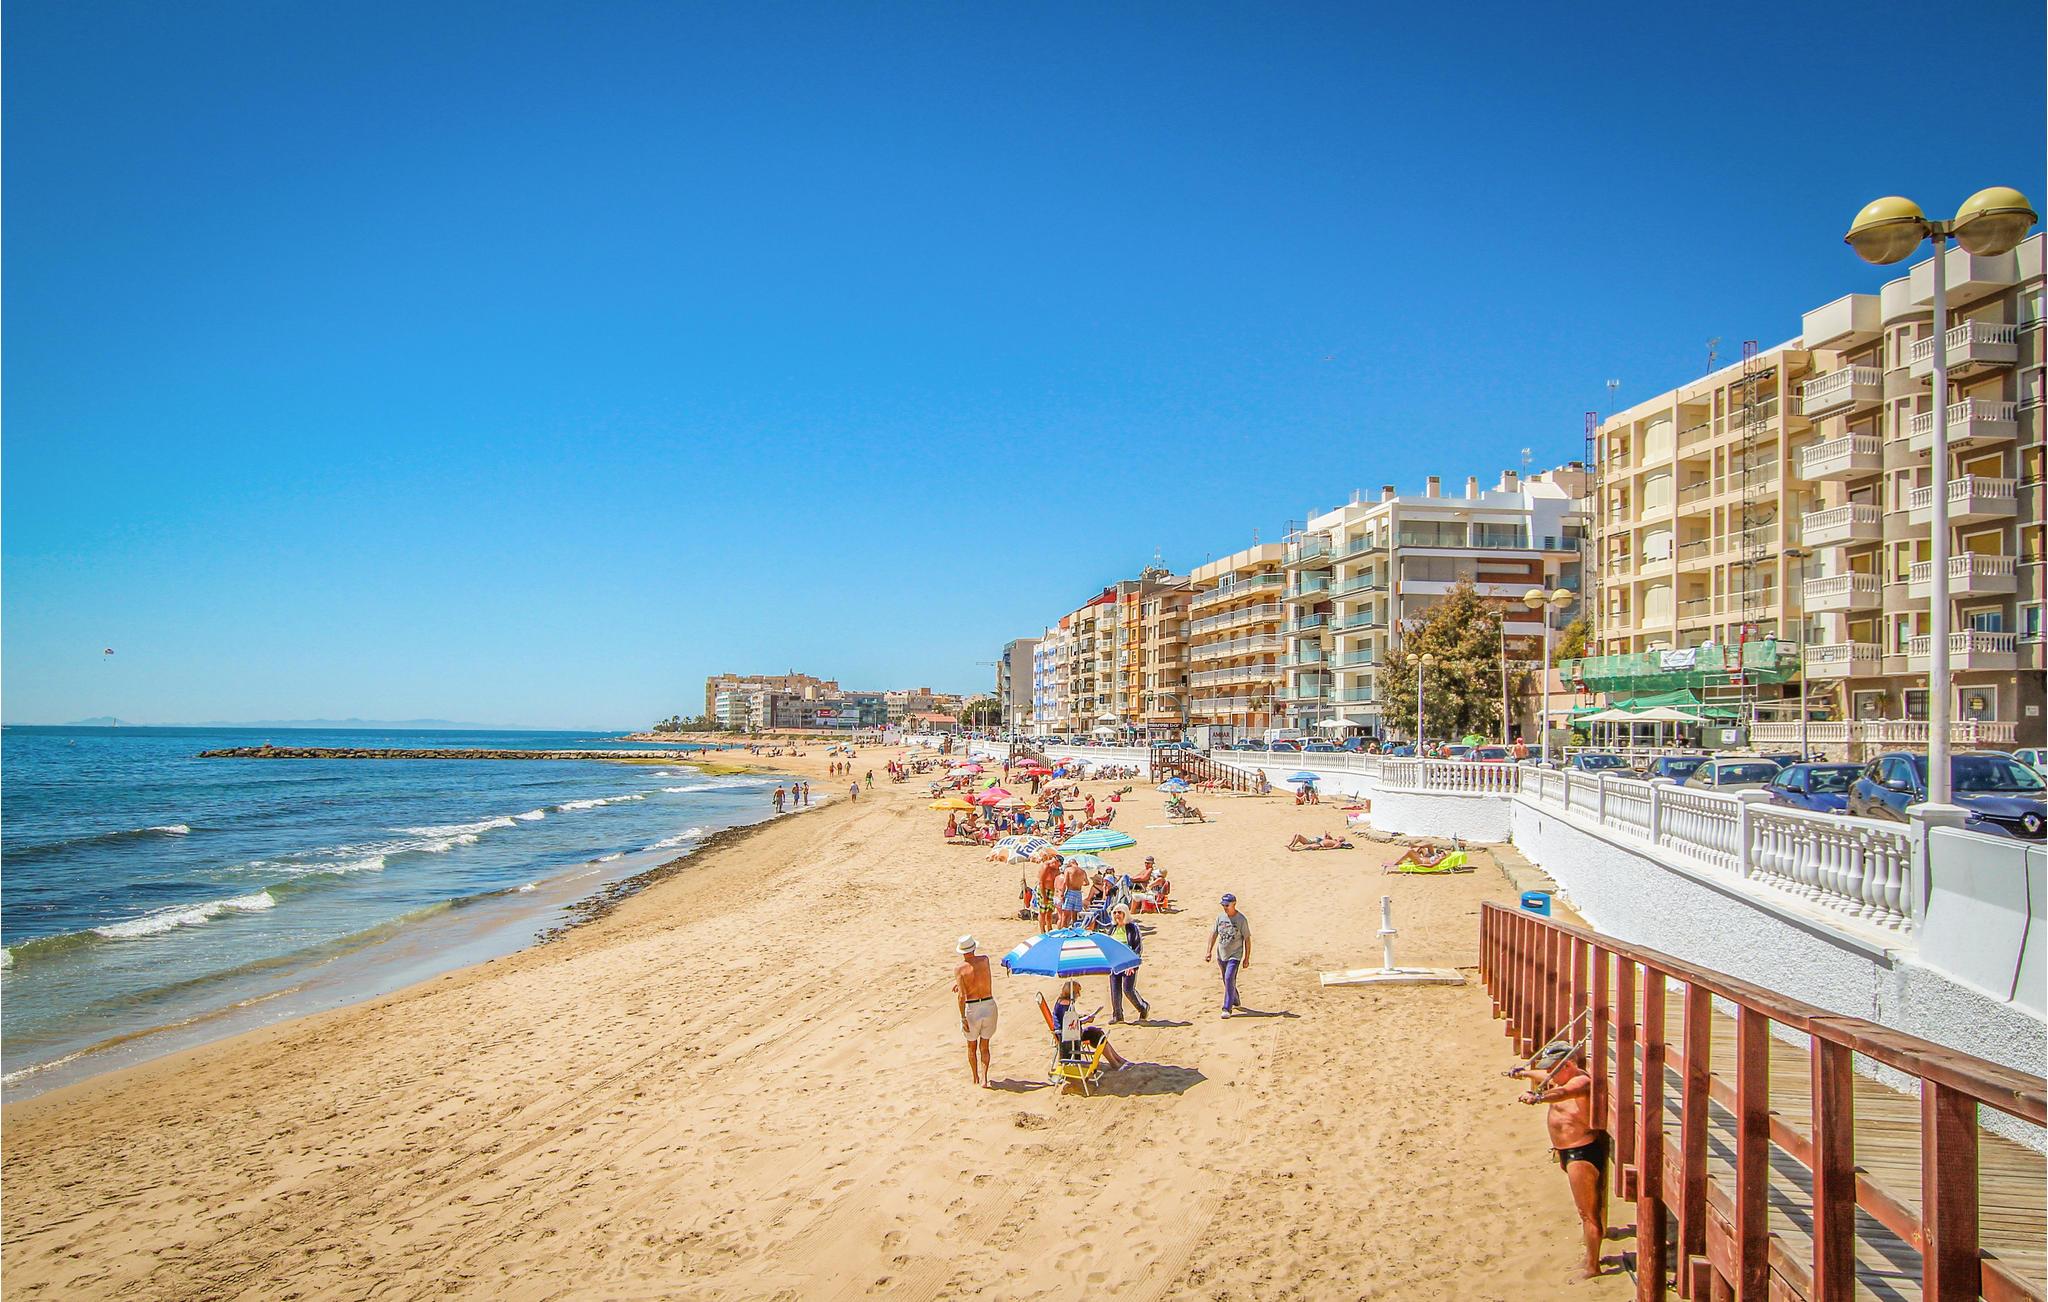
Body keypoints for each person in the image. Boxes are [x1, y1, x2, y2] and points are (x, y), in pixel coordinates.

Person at [1513, 1040, 1608, 1278]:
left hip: (1582, 1153)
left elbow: (1564, 1093)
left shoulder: (1579, 1081)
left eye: (1553, 1068)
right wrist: (1523, 1073)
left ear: (1568, 1065)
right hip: (1567, 1151)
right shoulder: (1561, 1077)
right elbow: (1546, 1077)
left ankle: (1593, 1266)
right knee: (1585, 1211)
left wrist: (1538, 1097)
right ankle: (1589, 1258)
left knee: (1587, 1213)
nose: (1549, 1073)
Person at [1052, 979, 1127, 1070]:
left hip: (1070, 1034)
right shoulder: (1065, 1005)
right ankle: (1115, 1062)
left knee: (1097, 1033)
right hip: (1069, 1037)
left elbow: (1069, 1019)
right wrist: (1086, 1020)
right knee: (1097, 1034)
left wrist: (1082, 1017)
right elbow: (1069, 1024)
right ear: (1072, 993)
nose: (1079, 995)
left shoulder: (1061, 1002)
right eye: (1077, 992)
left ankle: (1117, 1059)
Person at [954, 936, 996, 1088]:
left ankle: (975, 1077)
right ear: (974, 947)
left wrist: (962, 1017)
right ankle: (984, 1077)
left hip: (972, 1007)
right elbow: (977, 974)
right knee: (985, 1046)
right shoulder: (985, 960)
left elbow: (961, 996)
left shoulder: (959, 969)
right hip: (988, 1004)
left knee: (971, 1046)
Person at [1204, 893, 1251, 1018]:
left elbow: (1247, 939)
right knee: (1227, 980)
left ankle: (1227, 1008)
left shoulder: (1241, 919)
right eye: (1223, 905)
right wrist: (1208, 951)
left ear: (1234, 904)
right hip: (1221, 954)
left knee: (1229, 977)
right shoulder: (1220, 917)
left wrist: (1246, 958)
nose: (1225, 907)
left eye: (1227, 905)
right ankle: (1234, 998)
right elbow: (1214, 934)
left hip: (1235, 955)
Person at [1106, 903, 1151, 1022]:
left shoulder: (1132, 928)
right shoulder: (1112, 928)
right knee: (1115, 989)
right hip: (1115, 963)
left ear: (1125, 914)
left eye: (1119, 913)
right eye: (1115, 913)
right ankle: (1117, 1015)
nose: (1117, 915)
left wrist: (1132, 964)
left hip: (1129, 963)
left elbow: (1137, 947)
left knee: (1128, 989)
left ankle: (1143, 1007)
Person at [1060, 855, 1087, 927]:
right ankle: (1074, 929)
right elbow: (1087, 883)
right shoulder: (1082, 871)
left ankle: (1063, 930)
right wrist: (1079, 883)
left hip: (1070, 892)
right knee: (1075, 915)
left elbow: (1065, 882)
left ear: (1070, 863)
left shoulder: (1068, 870)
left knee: (1065, 915)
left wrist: (1062, 894)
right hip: (1078, 893)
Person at [1036, 856, 1061, 933]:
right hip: (1044, 890)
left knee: (1050, 911)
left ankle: (1050, 928)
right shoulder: (1046, 866)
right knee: (1042, 912)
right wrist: (1044, 896)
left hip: (1053, 892)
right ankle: (1042, 930)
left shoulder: (1057, 869)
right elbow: (1041, 882)